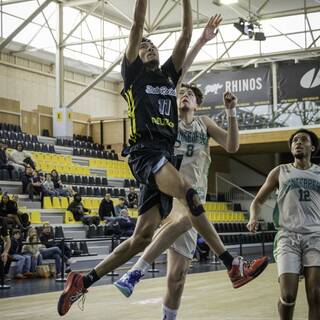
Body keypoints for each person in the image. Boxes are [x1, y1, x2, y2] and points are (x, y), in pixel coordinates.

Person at [57, 3, 266, 316]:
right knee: (190, 194)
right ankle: (232, 265)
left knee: (140, 237)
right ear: (136, 56)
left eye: (152, 44)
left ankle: (82, 282)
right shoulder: (133, 76)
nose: (148, 46)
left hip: (162, 157)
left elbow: (184, 36)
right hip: (146, 151)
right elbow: (138, 23)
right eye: (143, 46)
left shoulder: (170, 77)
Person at [247, 128, 320, 320]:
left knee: (316, 295)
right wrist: (253, 216)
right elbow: (257, 201)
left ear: (312, 147)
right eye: (295, 140)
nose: (298, 142)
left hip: (316, 237)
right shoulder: (280, 171)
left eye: (303, 140)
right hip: (288, 236)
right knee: (288, 296)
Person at [0, 216, 11, 286]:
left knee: (3, 259)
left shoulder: (2, 221)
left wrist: (5, 252)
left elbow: (8, 240)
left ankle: (2, 279)